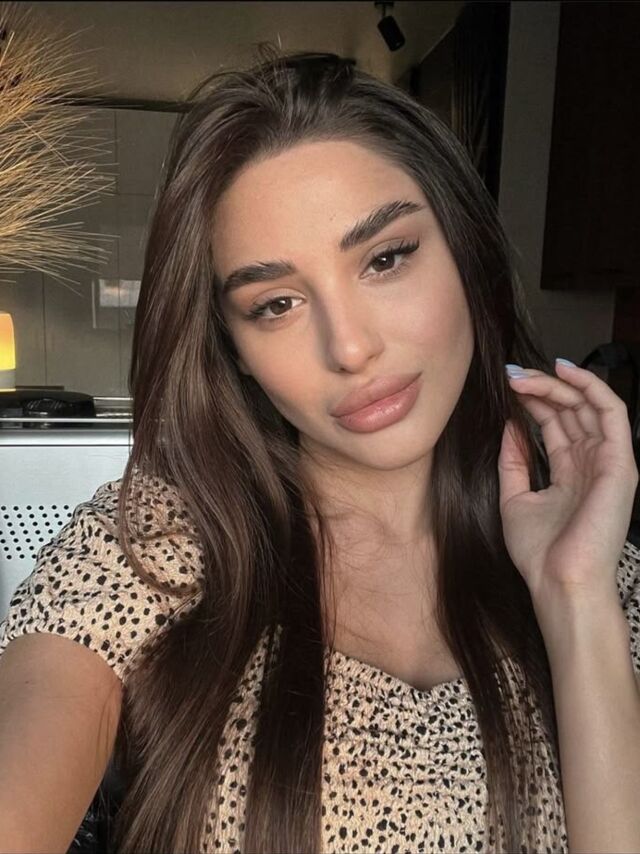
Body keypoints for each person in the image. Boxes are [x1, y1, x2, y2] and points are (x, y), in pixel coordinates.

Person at [0, 46, 639, 854]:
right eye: (276, 304)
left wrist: (576, 598)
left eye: (386, 258)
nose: (351, 348)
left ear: (466, 252)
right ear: (233, 348)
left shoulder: (604, 577)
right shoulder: (152, 550)